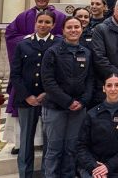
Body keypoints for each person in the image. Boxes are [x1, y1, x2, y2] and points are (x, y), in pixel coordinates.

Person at [4, 0, 67, 153]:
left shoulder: (60, 16)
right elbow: (10, 35)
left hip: (50, 76)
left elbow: (68, 35)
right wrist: (28, 38)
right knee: (25, 109)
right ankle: (22, 144)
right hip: (28, 74)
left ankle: (44, 143)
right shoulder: (23, 16)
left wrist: (51, 41)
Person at [10, 10, 62, 178]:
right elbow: (15, 74)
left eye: (47, 22)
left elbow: (62, 72)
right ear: (35, 23)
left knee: (49, 140)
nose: (43, 25)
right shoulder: (23, 45)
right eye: (40, 21)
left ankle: (48, 173)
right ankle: (25, 174)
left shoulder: (59, 44)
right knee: (26, 140)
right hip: (27, 100)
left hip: (51, 99)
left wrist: (47, 93)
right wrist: (27, 96)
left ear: (53, 25)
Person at [41, 16, 94, 177]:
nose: (73, 30)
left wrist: (83, 101)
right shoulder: (52, 52)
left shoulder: (86, 53)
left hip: (78, 110)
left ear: (82, 29)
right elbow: (48, 82)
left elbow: (90, 80)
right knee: (54, 149)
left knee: (72, 149)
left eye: (76, 27)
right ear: (63, 31)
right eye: (69, 27)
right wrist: (68, 101)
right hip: (56, 108)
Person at [77, 73, 118, 178]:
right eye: (109, 85)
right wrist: (94, 166)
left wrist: (109, 166)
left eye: (117, 85)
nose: (113, 89)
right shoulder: (91, 114)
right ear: (104, 88)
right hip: (93, 167)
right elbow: (81, 146)